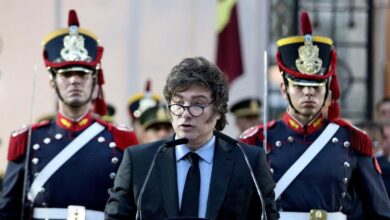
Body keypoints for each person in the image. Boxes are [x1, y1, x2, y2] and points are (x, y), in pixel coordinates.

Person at [240, 12, 390, 219]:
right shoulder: (257, 139)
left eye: (316, 86)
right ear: (284, 89)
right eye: (300, 87)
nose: (309, 93)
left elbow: (379, 211)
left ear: (328, 89)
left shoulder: (352, 140)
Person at [0, 10, 139, 220]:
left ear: (95, 81)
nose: (74, 80)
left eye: (82, 74)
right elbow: (8, 210)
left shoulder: (119, 140)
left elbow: (134, 208)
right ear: (52, 82)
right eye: (66, 74)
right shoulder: (28, 140)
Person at [105, 57, 279, 219]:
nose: (185, 113)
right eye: (179, 103)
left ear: (218, 110)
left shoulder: (248, 161)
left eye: (198, 104)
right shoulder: (140, 161)